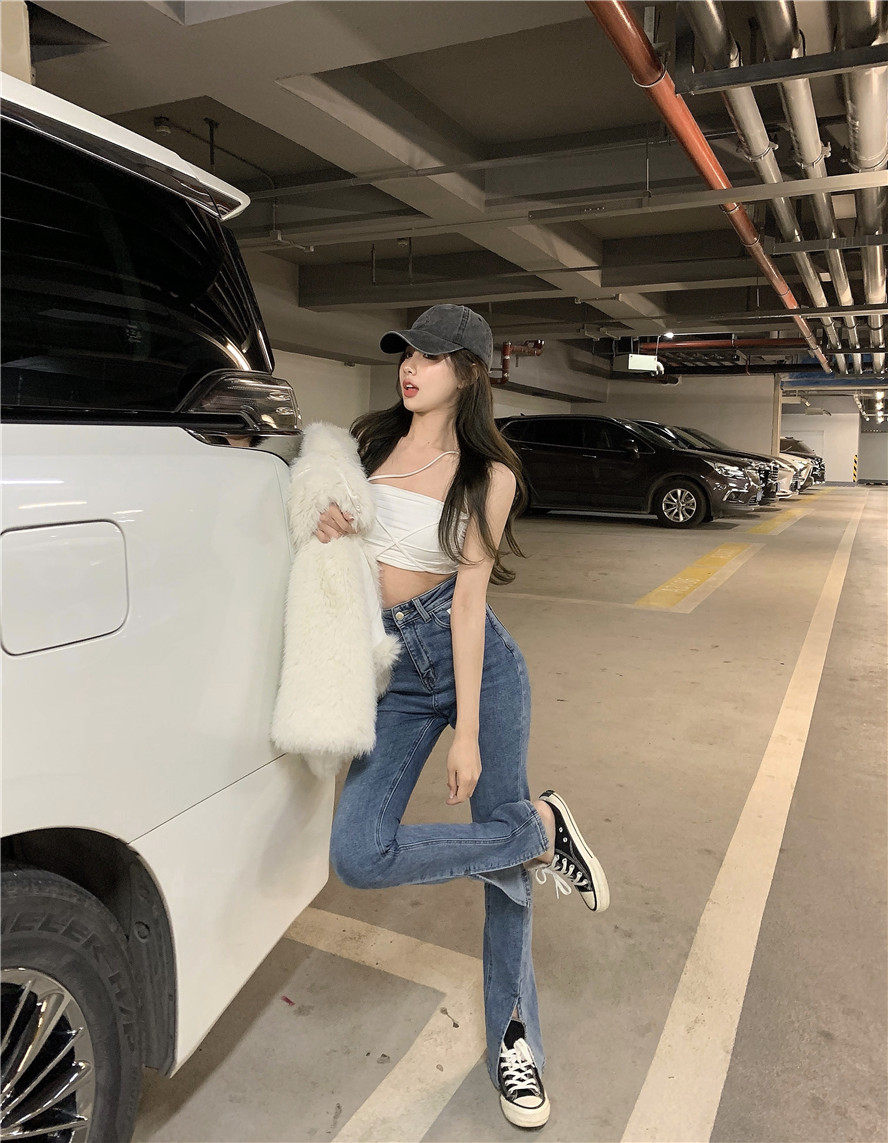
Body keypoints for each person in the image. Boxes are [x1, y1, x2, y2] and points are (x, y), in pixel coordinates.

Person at [317, 303, 609, 1129]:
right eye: (407, 352)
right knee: (359, 852)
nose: (411, 367)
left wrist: (471, 732)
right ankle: (540, 829)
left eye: (432, 356)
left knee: (503, 874)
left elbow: (471, 605)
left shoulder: (490, 475)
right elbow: (322, 534)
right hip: (393, 672)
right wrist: (324, 521)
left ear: (470, 371)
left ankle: (516, 1042)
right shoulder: (368, 442)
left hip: (473, 663)